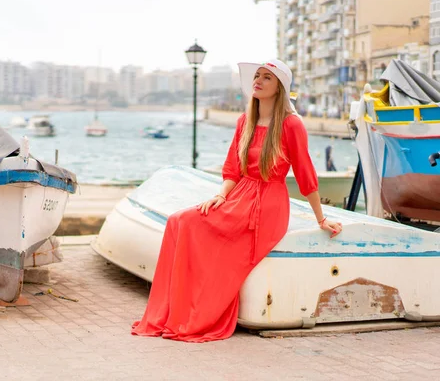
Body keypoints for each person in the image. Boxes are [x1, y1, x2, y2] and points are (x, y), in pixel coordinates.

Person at [131, 59, 343, 343]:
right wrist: (220, 196)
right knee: (179, 220)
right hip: (239, 196)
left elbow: (306, 176)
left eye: (267, 77)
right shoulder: (245, 121)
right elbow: (233, 168)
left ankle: (197, 314)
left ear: (280, 88)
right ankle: (174, 312)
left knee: (196, 228)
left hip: (268, 205)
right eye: (257, 76)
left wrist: (321, 218)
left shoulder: (292, 124)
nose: (258, 81)